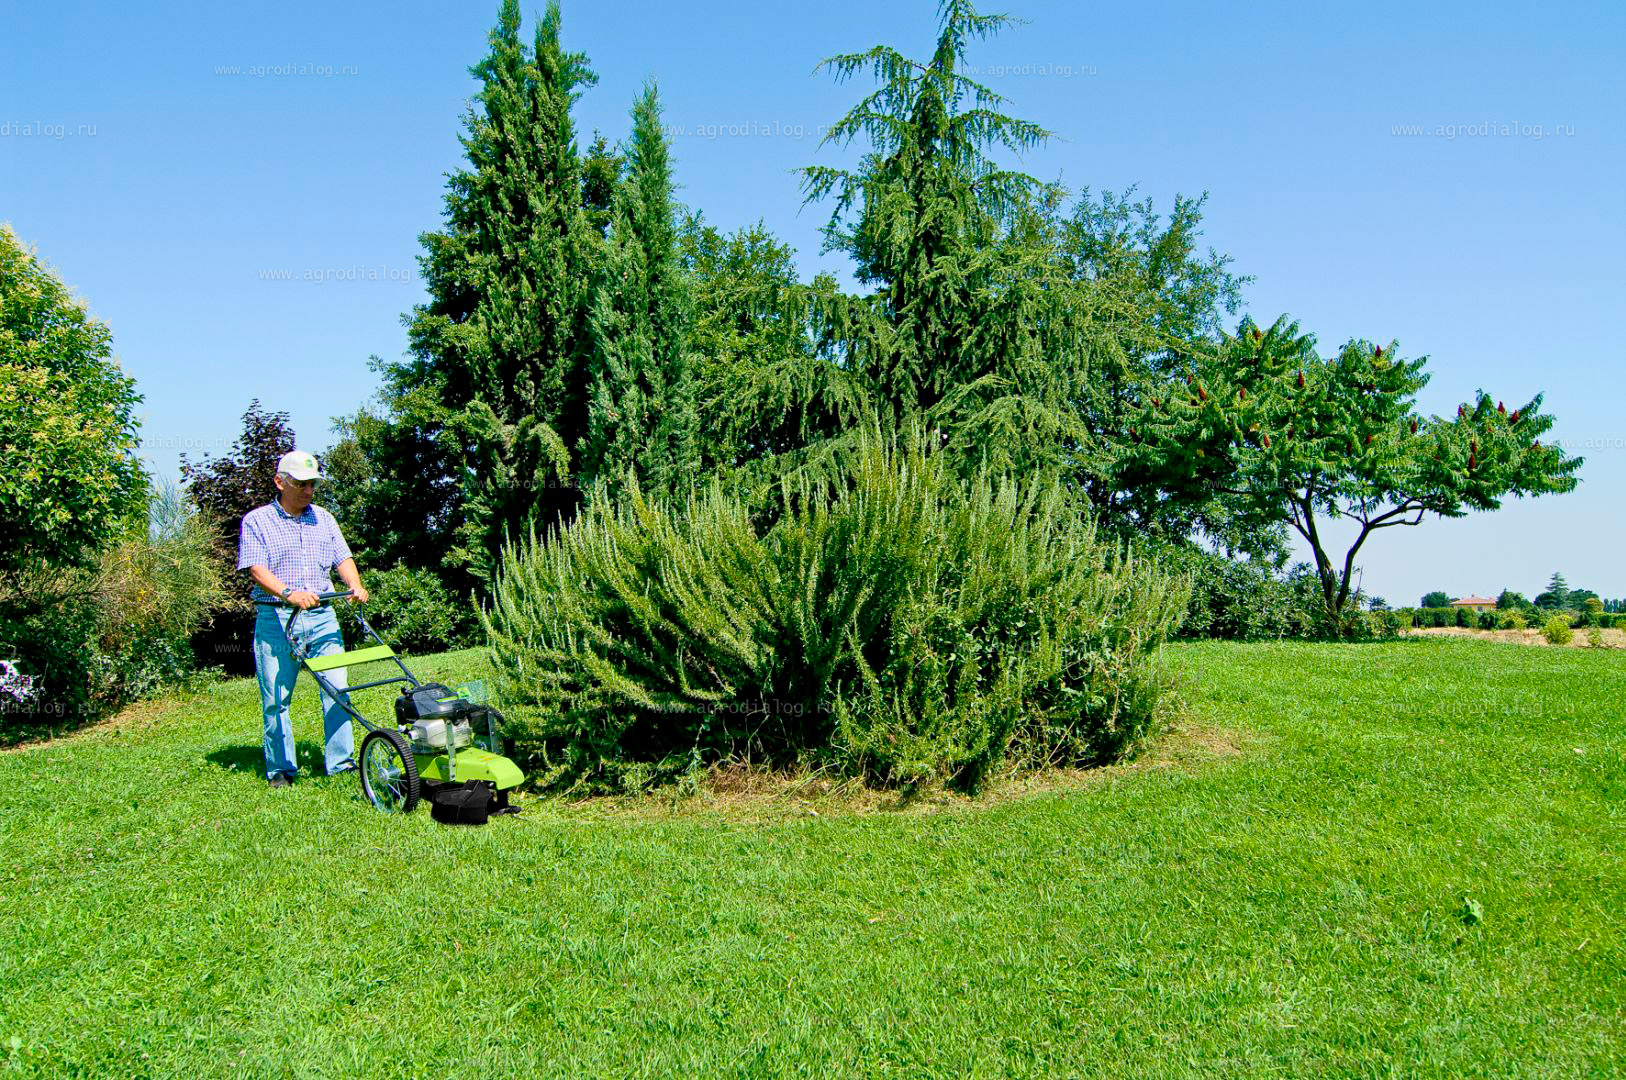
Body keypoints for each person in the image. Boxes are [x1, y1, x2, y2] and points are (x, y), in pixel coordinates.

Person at [237, 449, 371, 788]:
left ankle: (341, 764)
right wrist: (289, 593)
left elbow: (343, 557)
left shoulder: (324, 518)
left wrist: (355, 585)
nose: (309, 490)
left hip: (323, 617)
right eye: (301, 484)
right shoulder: (256, 521)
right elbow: (256, 568)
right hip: (277, 618)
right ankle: (281, 770)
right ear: (280, 482)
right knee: (277, 699)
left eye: (313, 484)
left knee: (338, 689)